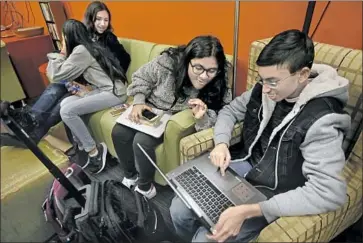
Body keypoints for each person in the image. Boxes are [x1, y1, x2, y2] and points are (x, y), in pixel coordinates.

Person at [170, 29, 351, 242]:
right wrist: (221, 143)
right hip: (244, 167)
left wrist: (252, 210)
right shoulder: (264, 88)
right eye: (261, 79)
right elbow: (229, 111)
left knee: (204, 239)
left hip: (274, 193)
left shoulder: (322, 119)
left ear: (302, 75)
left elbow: (329, 192)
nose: (264, 88)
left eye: (273, 81)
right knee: (178, 209)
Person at [111, 35, 232, 199]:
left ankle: (145, 187)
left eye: (211, 70)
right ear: (187, 60)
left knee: (142, 141)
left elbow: (221, 116)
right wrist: (138, 101)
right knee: (119, 132)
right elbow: (141, 77)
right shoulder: (168, 62)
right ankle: (130, 175)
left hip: (172, 116)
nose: (204, 76)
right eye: (198, 68)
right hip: (150, 106)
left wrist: (202, 118)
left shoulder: (220, 78)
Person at [9, 1, 130, 149]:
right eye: (98, 19)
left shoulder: (107, 39)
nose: (102, 24)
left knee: (62, 98)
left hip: (104, 86)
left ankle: (31, 121)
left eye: (106, 20)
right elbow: (72, 66)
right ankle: (33, 129)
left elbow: (122, 61)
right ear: (90, 19)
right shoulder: (81, 36)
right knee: (58, 88)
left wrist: (102, 78)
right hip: (85, 80)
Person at [47, 19, 128, 174]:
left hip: (113, 93)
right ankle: (83, 144)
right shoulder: (88, 45)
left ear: (68, 36)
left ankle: (94, 151)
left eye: (64, 36)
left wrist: (62, 50)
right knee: (65, 103)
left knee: (67, 111)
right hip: (105, 89)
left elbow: (55, 75)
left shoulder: (81, 51)